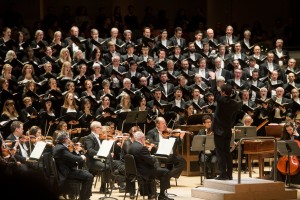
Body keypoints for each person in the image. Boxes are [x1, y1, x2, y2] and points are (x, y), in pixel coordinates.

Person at [210, 71, 242, 180]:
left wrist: (213, 79)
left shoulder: (221, 100)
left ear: (223, 92)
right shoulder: (235, 104)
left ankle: (223, 173)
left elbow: (214, 91)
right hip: (228, 130)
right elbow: (238, 100)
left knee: (220, 153)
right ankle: (229, 173)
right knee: (227, 152)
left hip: (219, 131)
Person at [129, 131, 173, 200]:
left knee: (159, 169)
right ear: (142, 138)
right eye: (144, 138)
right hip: (144, 173)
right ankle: (162, 195)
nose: (145, 140)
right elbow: (151, 161)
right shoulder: (142, 148)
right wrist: (154, 157)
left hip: (136, 171)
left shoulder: (131, 146)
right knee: (165, 172)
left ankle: (152, 193)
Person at [53, 132, 93, 200]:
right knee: (89, 176)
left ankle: (85, 196)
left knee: (86, 173)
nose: (69, 139)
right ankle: (84, 198)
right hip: (67, 172)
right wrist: (82, 157)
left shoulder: (59, 146)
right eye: (68, 138)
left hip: (66, 170)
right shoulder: (61, 149)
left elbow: (70, 157)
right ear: (64, 139)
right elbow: (73, 158)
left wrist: (76, 151)